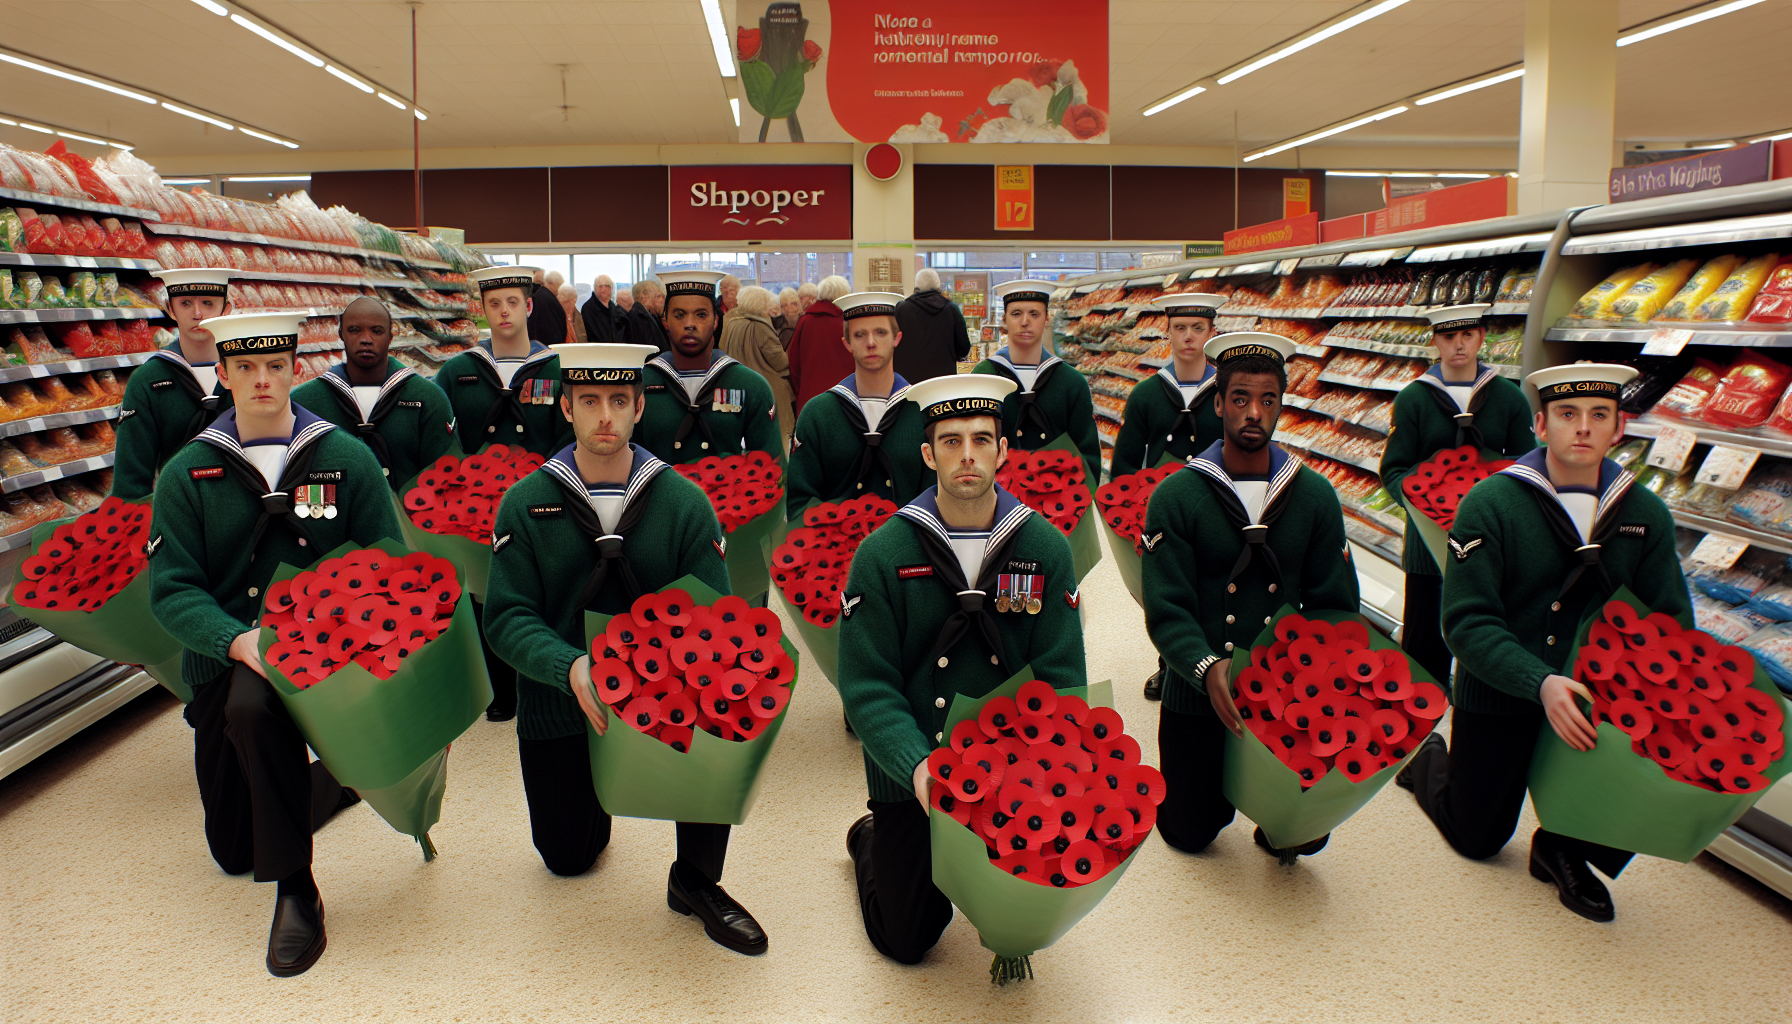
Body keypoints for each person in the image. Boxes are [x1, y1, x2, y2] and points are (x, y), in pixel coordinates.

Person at [483, 341, 767, 956]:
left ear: (641, 408)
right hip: (561, 702)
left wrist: (664, 674)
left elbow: (719, 625)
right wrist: (571, 666)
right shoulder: (526, 503)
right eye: (589, 401)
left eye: (619, 400)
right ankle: (598, 801)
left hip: (668, 697)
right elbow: (506, 617)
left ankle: (695, 878)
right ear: (566, 407)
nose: (605, 416)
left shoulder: (683, 503)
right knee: (568, 859)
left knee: (725, 700)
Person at [148, 311, 403, 977]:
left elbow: (390, 568)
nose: (262, 380)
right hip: (229, 652)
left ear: (295, 368)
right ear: (225, 374)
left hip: (333, 656)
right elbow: (172, 591)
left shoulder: (345, 458)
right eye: (246, 368)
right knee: (233, 850)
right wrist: (235, 641)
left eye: (274, 366)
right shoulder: (188, 474)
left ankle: (297, 891)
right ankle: (336, 783)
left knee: (254, 710)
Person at [1401, 363, 1688, 924]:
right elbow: (1466, 623)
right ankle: (1432, 759)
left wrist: (1651, 696)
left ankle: (1564, 847)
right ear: (1540, 424)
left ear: (1619, 428)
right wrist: (1540, 682)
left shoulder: (1645, 514)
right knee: (1476, 838)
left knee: (1615, 781)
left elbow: (1670, 622)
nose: (1583, 428)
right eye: (1567, 414)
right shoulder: (1491, 505)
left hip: (1597, 702)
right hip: (1502, 689)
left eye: (1598, 415)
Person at [838, 373, 1086, 965]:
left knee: (1025, 906)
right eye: (950, 441)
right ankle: (870, 840)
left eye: (981, 439)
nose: (967, 455)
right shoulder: (884, 552)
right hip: (915, 772)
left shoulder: (1045, 548)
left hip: (1015, 766)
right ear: (927, 454)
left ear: (1004, 450)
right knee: (906, 940)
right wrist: (914, 765)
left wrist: (1034, 774)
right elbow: (867, 684)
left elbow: (1061, 674)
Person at [1142, 331, 1359, 861]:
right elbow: (1168, 606)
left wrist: (1316, 685)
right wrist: (1202, 667)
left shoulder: (1313, 496)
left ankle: (1272, 809)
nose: (1253, 413)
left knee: (1301, 834)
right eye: (1240, 399)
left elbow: (1335, 605)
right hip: (1197, 690)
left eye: (1267, 400)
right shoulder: (1177, 496)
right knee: (1188, 833)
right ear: (1218, 404)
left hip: (1288, 694)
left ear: (1282, 405)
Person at [435, 266, 571, 722]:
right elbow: (444, 434)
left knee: (535, 583)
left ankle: (532, 676)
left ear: (529, 306)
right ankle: (494, 686)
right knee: (483, 589)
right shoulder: (458, 372)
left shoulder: (557, 368)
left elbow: (566, 433)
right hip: (474, 504)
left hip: (542, 498)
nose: (504, 311)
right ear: (483, 310)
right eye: (494, 304)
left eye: (513, 302)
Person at [1378, 304, 1535, 689]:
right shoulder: (1413, 399)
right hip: (1427, 547)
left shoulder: (1510, 398)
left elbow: (1526, 463)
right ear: (1435, 342)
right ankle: (1420, 720)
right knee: (1423, 644)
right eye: (1449, 337)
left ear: (1482, 338)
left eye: (1467, 335)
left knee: (1483, 636)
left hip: (1489, 544)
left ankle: (1472, 704)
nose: (1459, 345)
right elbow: (1394, 469)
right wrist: (1420, 501)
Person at [1111, 293, 1228, 702]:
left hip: (1216, 506)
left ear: (1212, 333)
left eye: (1198, 328)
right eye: (1180, 328)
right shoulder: (1146, 394)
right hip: (1159, 509)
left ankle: (1210, 659)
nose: (1189, 337)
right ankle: (1168, 665)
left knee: (1211, 582)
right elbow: (1125, 462)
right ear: (1169, 332)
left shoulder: (1227, 391)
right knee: (1167, 588)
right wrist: (1123, 516)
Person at [290, 296, 459, 490]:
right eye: (354, 330)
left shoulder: (429, 399)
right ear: (341, 334)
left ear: (390, 338)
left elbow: (447, 480)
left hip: (412, 516)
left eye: (377, 331)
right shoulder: (304, 403)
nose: (366, 340)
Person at [787, 291, 927, 515]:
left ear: (896, 338)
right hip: (833, 544)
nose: (871, 343)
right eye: (860, 335)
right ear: (847, 343)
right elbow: (799, 500)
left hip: (907, 544)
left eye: (880, 332)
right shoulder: (818, 414)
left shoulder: (922, 411)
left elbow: (935, 497)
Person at [114, 268, 237, 500]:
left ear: (226, 309)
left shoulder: (248, 372)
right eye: (186, 303)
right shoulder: (147, 380)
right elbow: (129, 483)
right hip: (177, 512)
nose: (198, 313)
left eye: (209, 303)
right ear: (170, 309)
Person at [975, 279, 1102, 491]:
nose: (1025, 322)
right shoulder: (984, 376)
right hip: (996, 504)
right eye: (1016, 313)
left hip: (1060, 506)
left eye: (1034, 314)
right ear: (1004, 319)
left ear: (1047, 319)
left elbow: (1087, 454)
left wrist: (1078, 503)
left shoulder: (1071, 382)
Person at [718, 285, 794, 442]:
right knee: (769, 444)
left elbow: (722, 350)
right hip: (764, 390)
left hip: (732, 389)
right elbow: (780, 362)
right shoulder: (760, 326)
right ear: (759, 305)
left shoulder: (730, 323)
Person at [893, 268, 971, 383]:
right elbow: (963, 349)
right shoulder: (951, 309)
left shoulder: (900, 309)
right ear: (938, 287)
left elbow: (891, 345)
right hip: (941, 386)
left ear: (916, 288)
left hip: (907, 385)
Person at [786, 275, 850, 413]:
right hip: (843, 400)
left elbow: (793, 362)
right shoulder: (846, 325)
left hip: (809, 400)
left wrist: (800, 392)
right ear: (843, 296)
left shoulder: (805, 321)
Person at [527, 269, 568, 348]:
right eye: (559, 285)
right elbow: (551, 327)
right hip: (548, 345)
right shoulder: (546, 298)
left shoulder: (540, 295)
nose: (560, 289)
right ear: (552, 284)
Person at [627, 280, 669, 353]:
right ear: (644, 296)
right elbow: (649, 346)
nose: (662, 301)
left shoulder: (647, 314)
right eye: (658, 296)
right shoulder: (639, 316)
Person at [581, 274, 619, 345]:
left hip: (614, 348)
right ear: (595, 288)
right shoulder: (588, 307)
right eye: (600, 286)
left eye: (607, 286)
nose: (604, 289)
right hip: (598, 349)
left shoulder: (613, 306)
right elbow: (592, 332)